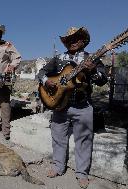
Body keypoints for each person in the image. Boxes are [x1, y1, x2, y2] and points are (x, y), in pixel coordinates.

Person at [38, 27, 108, 188]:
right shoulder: (58, 58)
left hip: (83, 105)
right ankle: (57, 166)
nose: (73, 42)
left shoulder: (92, 58)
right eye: (70, 39)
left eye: (76, 38)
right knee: (58, 138)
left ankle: (82, 173)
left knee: (84, 140)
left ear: (83, 40)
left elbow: (102, 79)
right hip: (59, 105)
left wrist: (94, 71)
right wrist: (47, 82)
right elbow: (41, 72)